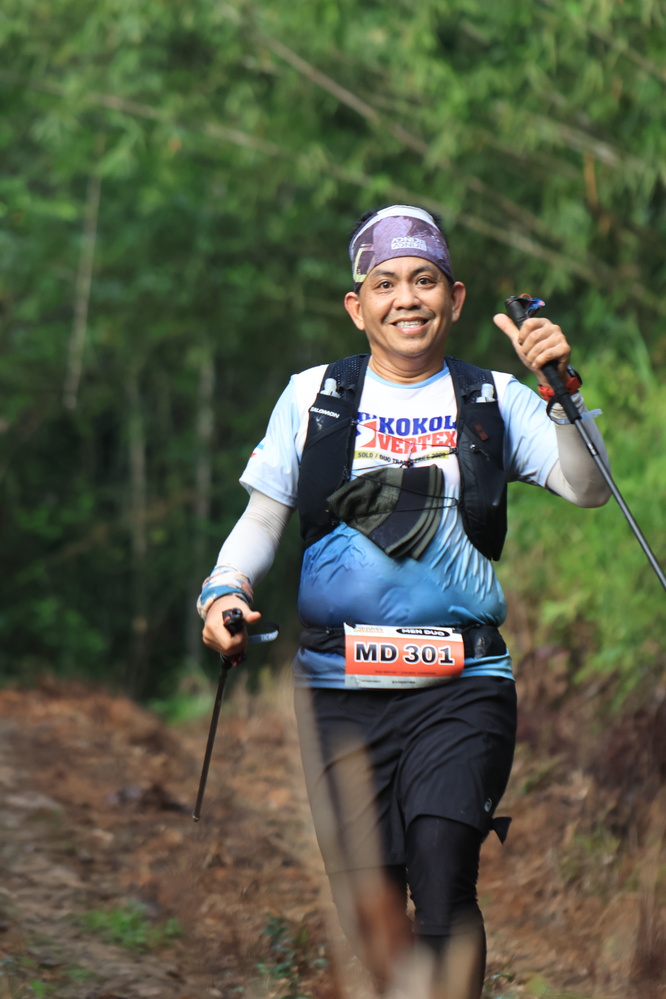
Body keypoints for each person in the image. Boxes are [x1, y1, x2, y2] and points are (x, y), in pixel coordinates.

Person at [198, 204, 611, 998]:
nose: (406, 298)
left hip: (464, 683)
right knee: (372, 912)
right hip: (338, 689)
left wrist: (561, 393)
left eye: (424, 280)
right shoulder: (313, 396)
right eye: (385, 283)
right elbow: (261, 520)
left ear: (455, 298)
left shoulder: (493, 398)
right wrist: (223, 591)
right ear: (357, 306)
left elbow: (587, 488)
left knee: (444, 870)